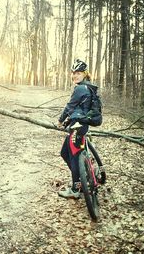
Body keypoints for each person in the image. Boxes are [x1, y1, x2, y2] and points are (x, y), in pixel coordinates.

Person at [57, 59, 97, 199]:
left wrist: (60, 120)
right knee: (64, 153)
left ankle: (76, 189)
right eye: (73, 73)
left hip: (78, 127)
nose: (75, 75)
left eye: (78, 73)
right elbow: (78, 109)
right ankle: (82, 178)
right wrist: (68, 121)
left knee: (74, 157)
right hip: (78, 125)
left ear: (85, 74)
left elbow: (70, 107)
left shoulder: (80, 88)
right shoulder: (87, 87)